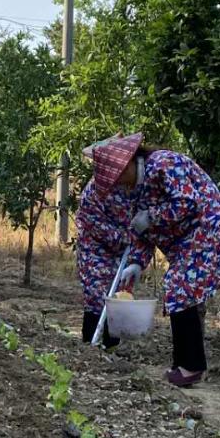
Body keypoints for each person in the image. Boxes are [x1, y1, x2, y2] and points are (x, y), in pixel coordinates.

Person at [91, 133, 220, 387]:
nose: (119, 185)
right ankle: (182, 363)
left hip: (207, 228)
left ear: (128, 163)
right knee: (178, 288)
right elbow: (140, 230)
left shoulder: (163, 164)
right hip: (186, 239)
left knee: (179, 286)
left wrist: (152, 216)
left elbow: (187, 202)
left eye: (119, 178)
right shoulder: (136, 189)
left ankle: (191, 366)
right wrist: (137, 262)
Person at [76, 136, 153, 348]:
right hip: (95, 248)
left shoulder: (136, 183)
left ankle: (111, 345)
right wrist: (125, 237)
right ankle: (90, 343)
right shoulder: (94, 191)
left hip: (126, 248)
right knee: (97, 294)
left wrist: (138, 247)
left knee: (119, 293)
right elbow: (91, 221)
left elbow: (143, 216)